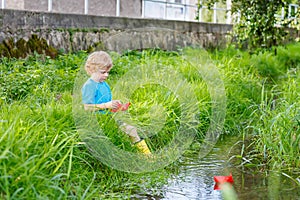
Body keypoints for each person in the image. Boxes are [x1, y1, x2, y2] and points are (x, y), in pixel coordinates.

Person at [81, 51, 151, 155]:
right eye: (103, 72)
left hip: (108, 118)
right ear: (91, 70)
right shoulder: (89, 86)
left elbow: (105, 103)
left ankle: (146, 155)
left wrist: (116, 106)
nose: (106, 75)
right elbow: (87, 107)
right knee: (130, 130)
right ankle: (146, 156)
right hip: (97, 121)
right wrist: (106, 105)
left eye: (108, 72)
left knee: (132, 129)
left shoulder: (103, 84)